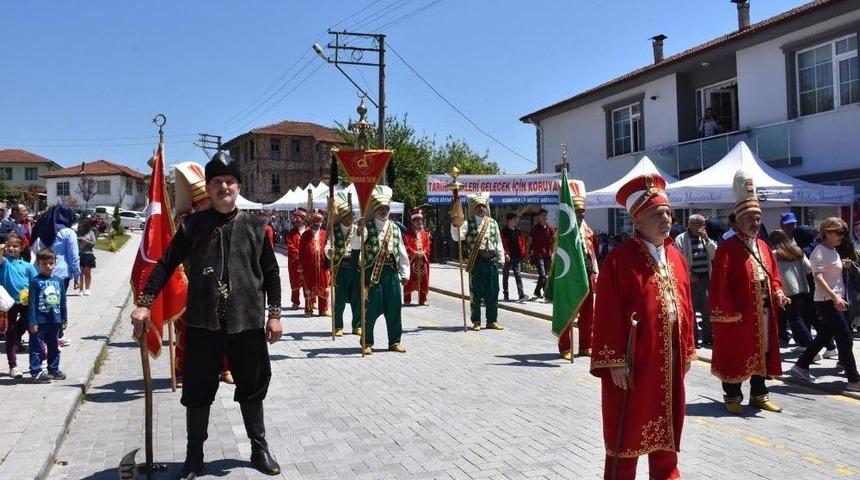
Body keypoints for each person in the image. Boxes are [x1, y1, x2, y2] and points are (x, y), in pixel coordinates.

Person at [131, 151, 283, 478]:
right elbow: (165, 264)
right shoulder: (192, 226)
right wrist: (144, 302)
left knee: (252, 387)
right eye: (217, 182)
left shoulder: (257, 227)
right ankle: (194, 456)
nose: (224, 187)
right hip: (202, 324)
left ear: (238, 186)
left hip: (247, 324)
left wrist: (274, 314)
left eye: (229, 181)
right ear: (209, 188)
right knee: (197, 393)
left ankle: (259, 448)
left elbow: (271, 273)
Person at [590, 173, 696, 480]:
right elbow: (606, 313)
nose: (666, 220)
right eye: (656, 214)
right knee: (627, 434)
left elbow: (686, 306)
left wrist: (688, 349)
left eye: (668, 213)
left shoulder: (676, 257)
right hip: (634, 363)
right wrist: (614, 361)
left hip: (670, 358)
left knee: (666, 429)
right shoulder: (618, 261)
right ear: (637, 219)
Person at [709, 170, 789, 414]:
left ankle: (759, 394)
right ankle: (733, 396)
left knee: (763, 351)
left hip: (764, 312)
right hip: (739, 315)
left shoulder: (764, 246)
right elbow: (719, 284)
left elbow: (773, 275)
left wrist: (778, 291)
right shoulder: (727, 248)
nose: (756, 223)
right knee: (736, 353)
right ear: (739, 221)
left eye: (758, 218)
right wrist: (730, 313)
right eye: (751, 219)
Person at [172, 161, 234, 386]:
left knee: (223, 329)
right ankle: (181, 370)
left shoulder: (224, 219)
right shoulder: (185, 224)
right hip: (190, 285)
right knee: (187, 331)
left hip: (219, 285)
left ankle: (225, 368)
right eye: (204, 202)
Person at [790, 218, 860, 392]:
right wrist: (834, 297)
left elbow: (832, 274)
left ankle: (801, 365)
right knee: (844, 337)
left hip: (835, 300)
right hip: (826, 301)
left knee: (824, 335)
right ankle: (854, 379)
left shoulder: (832, 250)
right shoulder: (819, 251)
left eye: (843, 233)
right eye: (838, 232)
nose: (841, 236)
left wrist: (845, 266)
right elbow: (819, 278)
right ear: (827, 232)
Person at [361, 185, 410, 354]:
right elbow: (356, 245)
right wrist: (358, 231)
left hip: (392, 273)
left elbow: (401, 251)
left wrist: (405, 272)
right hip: (373, 274)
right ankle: (367, 342)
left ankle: (394, 341)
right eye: (381, 208)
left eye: (386, 208)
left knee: (394, 308)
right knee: (370, 309)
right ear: (375, 209)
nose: (384, 211)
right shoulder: (366, 227)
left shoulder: (395, 228)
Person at [451, 192, 504, 331]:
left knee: (493, 291)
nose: (481, 208)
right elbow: (457, 237)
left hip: (492, 261)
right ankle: (476, 321)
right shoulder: (468, 224)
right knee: (476, 292)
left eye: (483, 206)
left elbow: (498, 241)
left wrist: (502, 258)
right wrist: (455, 223)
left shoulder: (493, 223)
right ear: (473, 208)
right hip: (477, 262)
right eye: (478, 206)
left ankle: (492, 320)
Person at [558, 181, 599, 359]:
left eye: (583, 211)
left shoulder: (589, 231)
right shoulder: (563, 232)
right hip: (570, 277)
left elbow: (594, 253)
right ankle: (565, 348)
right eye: (577, 211)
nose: (581, 214)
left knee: (588, 313)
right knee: (568, 312)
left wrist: (595, 271)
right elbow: (557, 256)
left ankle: (585, 345)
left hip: (587, 276)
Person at [31, 205, 79, 348]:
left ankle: (48, 336)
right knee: (57, 305)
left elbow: (35, 249)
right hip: (61, 275)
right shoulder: (68, 232)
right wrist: (77, 274)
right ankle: (55, 337)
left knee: (44, 304)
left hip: (41, 272)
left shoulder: (42, 229)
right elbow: (73, 256)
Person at [674, 214, 718, 347]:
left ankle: (708, 337)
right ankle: (693, 338)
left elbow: (715, 254)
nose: (703, 227)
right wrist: (689, 274)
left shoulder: (705, 238)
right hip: (690, 279)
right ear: (691, 224)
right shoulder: (681, 239)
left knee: (707, 309)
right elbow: (678, 259)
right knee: (691, 309)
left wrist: (707, 239)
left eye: (704, 224)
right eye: (700, 224)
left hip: (704, 277)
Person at [770, 229, 815, 352]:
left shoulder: (774, 254)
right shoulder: (797, 250)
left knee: (795, 319)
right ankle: (803, 344)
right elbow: (809, 268)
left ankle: (811, 348)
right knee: (796, 317)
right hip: (800, 288)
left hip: (785, 290)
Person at [0, 232, 37, 379]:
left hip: (26, 302)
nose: (11, 248)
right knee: (11, 333)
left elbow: (36, 283)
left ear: (21, 248)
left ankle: (38, 360)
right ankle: (13, 366)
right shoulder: (4, 262)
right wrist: (1, 248)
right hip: (8, 304)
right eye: (8, 246)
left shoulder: (27, 266)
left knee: (33, 330)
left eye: (15, 246)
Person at [27, 248, 67, 382]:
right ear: (38, 264)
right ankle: (36, 371)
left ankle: (53, 369)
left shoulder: (59, 281)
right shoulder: (35, 281)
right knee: (36, 347)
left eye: (51, 263)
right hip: (39, 321)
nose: (48, 266)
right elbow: (31, 303)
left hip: (54, 320)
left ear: (55, 263)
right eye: (44, 264)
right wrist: (32, 322)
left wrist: (64, 319)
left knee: (54, 347)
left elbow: (62, 301)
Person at [325, 192, 360, 337]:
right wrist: (329, 252)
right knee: (339, 300)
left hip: (355, 268)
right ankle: (338, 326)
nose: (351, 218)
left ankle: (357, 326)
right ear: (343, 216)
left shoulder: (357, 229)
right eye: (348, 216)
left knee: (357, 299)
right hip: (340, 268)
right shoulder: (335, 230)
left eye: (352, 215)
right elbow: (327, 246)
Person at [298, 209, 330, 318]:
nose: (316, 224)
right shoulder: (305, 235)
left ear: (321, 222)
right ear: (311, 222)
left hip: (322, 265)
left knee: (324, 286)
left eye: (318, 222)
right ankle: (308, 309)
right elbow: (301, 251)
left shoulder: (325, 234)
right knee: (308, 287)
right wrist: (300, 265)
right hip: (309, 266)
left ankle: (323, 309)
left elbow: (329, 248)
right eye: (314, 222)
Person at [403, 208, 431, 306]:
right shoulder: (407, 234)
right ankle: (407, 299)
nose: (419, 222)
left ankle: (423, 299)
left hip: (422, 260)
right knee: (409, 279)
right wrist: (414, 253)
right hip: (412, 260)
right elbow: (406, 246)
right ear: (413, 222)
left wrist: (424, 252)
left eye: (420, 220)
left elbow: (427, 246)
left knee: (424, 278)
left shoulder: (425, 234)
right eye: (417, 221)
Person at [527, 208, 555, 300]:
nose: (545, 217)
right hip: (538, 255)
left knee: (545, 276)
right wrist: (527, 254)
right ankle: (537, 290)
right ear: (539, 217)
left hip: (547, 255)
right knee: (542, 275)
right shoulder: (535, 228)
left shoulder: (550, 229)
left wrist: (553, 253)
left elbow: (553, 242)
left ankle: (543, 292)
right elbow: (529, 242)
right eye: (543, 215)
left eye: (546, 215)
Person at [500, 212, 527, 302]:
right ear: (509, 220)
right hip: (507, 257)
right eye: (514, 219)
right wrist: (505, 254)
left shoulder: (518, 232)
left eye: (516, 219)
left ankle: (521, 294)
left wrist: (523, 254)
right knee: (505, 276)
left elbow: (523, 243)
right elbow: (501, 244)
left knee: (518, 275)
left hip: (516, 257)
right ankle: (506, 294)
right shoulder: (503, 232)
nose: (516, 221)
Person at [285, 208, 308, 310]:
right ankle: (295, 302)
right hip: (295, 262)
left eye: (298, 219)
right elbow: (290, 245)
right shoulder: (291, 233)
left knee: (308, 281)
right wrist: (299, 255)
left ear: (303, 219)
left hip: (307, 262)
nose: (296, 221)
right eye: (295, 219)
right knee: (295, 281)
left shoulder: (309, 231)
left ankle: (310, 301)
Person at [76, 218, 96, 296]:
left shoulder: (91, 233)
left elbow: (94, 244)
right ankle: (81, 289)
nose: (81, 225)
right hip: (80, 254)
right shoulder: (78, 232)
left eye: (83, 224)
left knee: (87, 272)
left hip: (88, 254)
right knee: (80, 272)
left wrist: (86, 241)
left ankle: (87, 289)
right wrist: (78, 242)